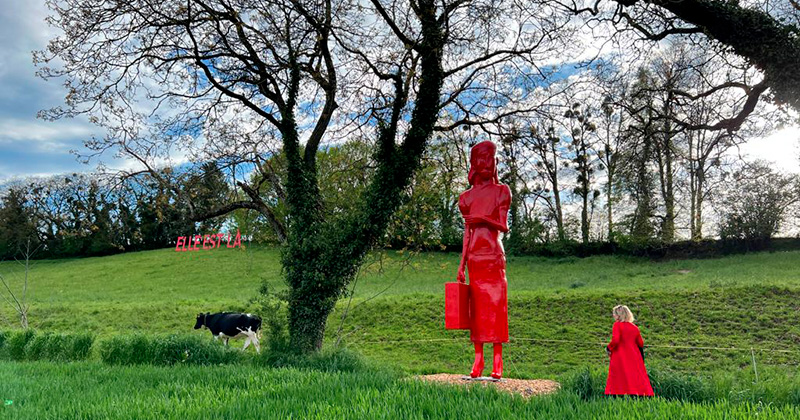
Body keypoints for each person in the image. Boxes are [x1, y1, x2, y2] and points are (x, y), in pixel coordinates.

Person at [456, 140, 512, 379]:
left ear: (494, 162)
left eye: (489, 158)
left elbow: (503, 226)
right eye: (480, 159)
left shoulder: (501, 191)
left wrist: (482, 219)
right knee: (477, 311)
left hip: (493, 257)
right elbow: (467, 233)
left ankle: (497, 360)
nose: (485, 163)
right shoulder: (466, 198)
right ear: (474, 164)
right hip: (475, 260)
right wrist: (461, 265)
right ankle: (478, 359)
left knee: (497, 308)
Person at [605, 305, 654, 396]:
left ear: (619, 315)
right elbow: (641, 343)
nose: (613, 316)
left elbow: (616, 340)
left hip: (620, 354)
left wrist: (609, 348)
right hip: (634, 355)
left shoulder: (617, 325)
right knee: (634, 375)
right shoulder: (634, 327)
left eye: (614, 314)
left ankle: (617, 394)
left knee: (618, 375)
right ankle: (639, 394)